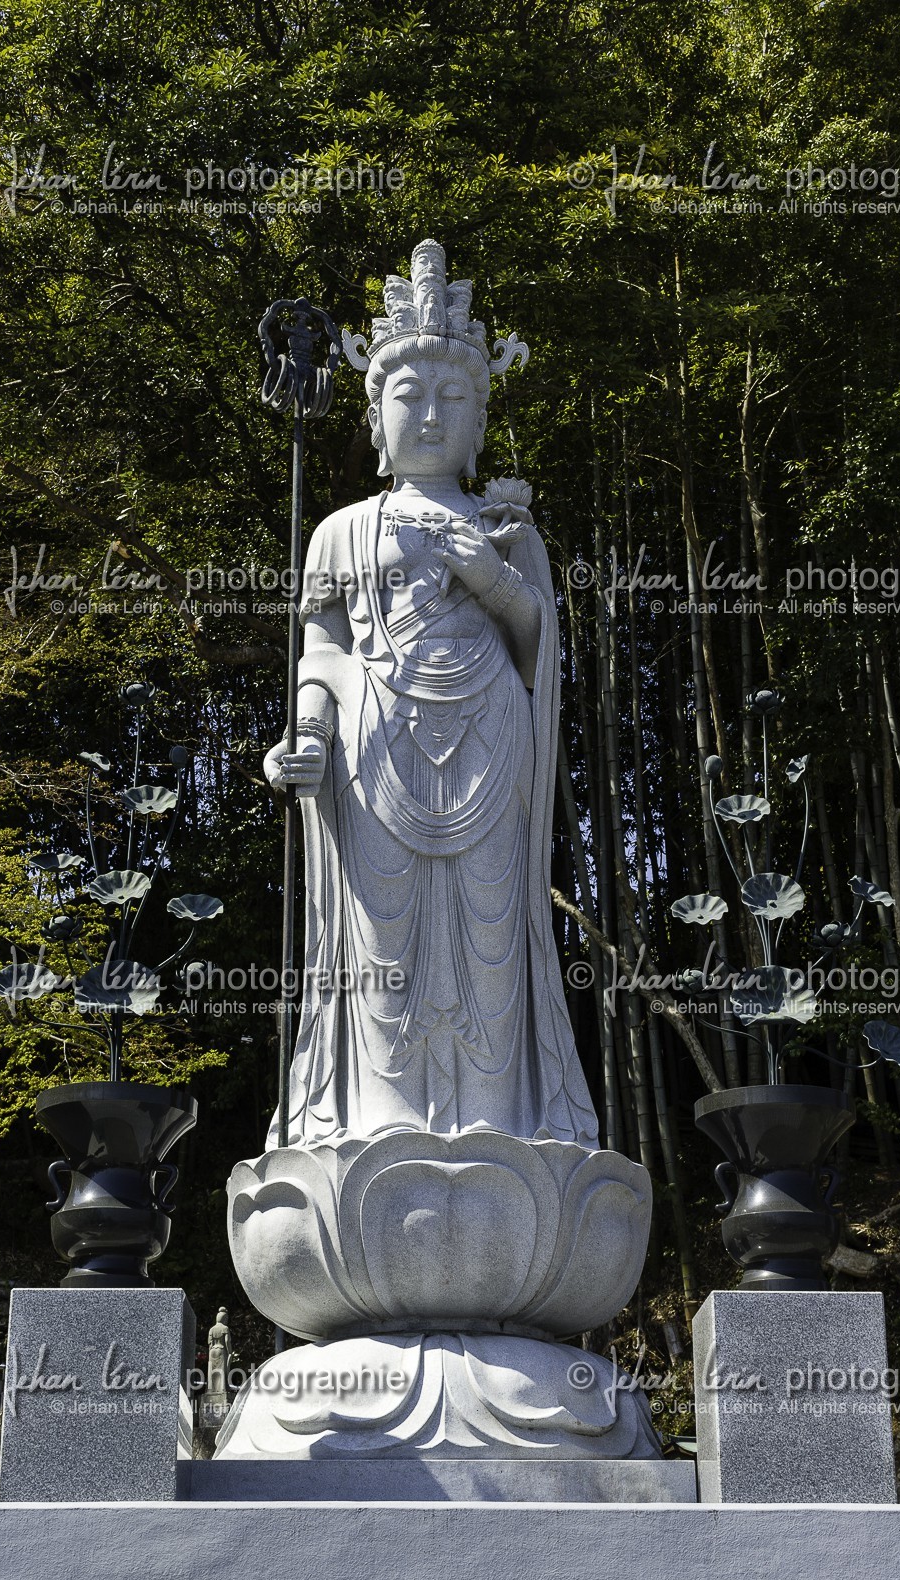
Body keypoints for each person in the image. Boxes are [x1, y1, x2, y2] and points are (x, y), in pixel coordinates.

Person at [264, 240, 598, 1150]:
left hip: (492, 740)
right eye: (408, 396)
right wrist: (305, 736)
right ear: (374, 416)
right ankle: (378, 1123)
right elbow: (322, 646)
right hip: (375, 751)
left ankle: (496, 1125)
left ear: (480, 418)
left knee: (491, 937)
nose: (429, 413)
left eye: (454, 397)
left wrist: (491, 577)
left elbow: (539, 650)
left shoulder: (505, 527)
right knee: (383, 942)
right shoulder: (340, 531)